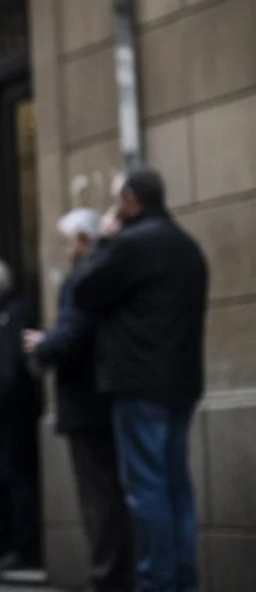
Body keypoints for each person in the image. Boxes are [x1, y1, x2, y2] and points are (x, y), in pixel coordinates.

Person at [71, 169, 208, 592]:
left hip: (139, 381)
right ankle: (182, 579)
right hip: (181, 383)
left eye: (115, 201)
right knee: (176, 485)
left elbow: (84, 290)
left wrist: (105, 241)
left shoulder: (129, 244)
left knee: (146, 487)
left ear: (131, 200)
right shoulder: (187, 247)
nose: (112, 210)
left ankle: (156, 581)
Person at [22, 208, 133, 592]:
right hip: (107, 398)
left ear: (85, 242)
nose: (67, 250)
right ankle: (118, 574)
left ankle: (108, 579)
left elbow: (71, 337)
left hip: (87, 404)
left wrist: (43, 345)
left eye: (70, 242)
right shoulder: (112, 271)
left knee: (99, 499)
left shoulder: (85, 278)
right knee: (111, 495)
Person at [0, 258, 43, 570]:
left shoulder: (12, 314)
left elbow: (7, 368)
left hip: (12, 413)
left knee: (15, 479)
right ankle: (5, 544)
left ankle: (23, 547)